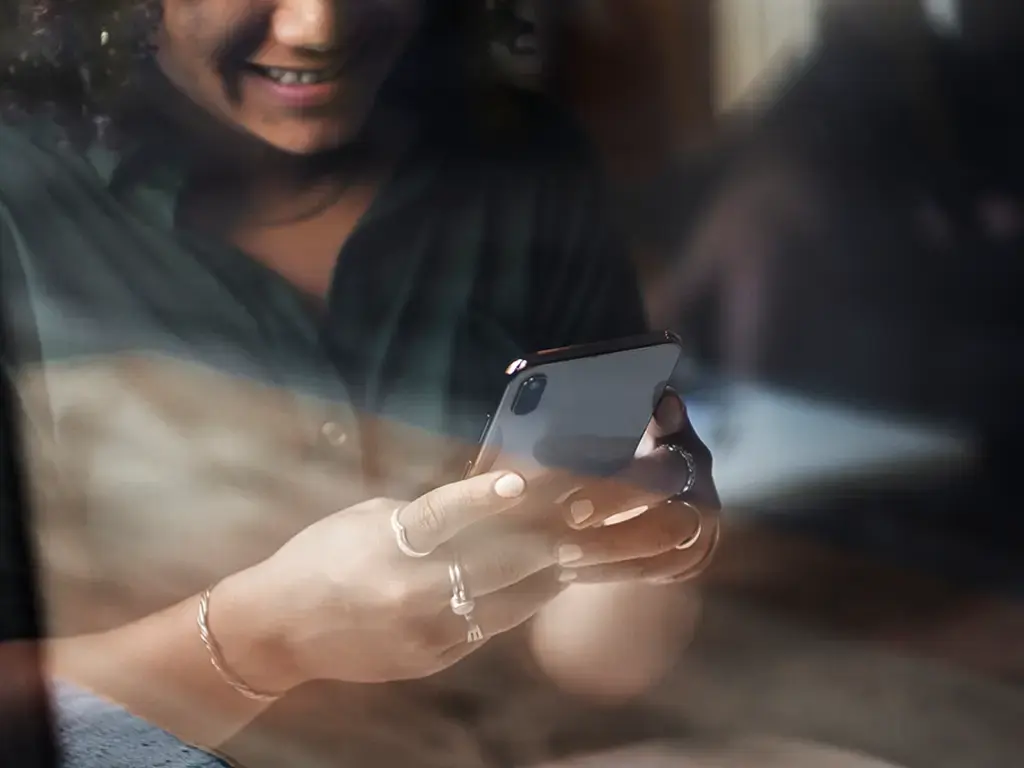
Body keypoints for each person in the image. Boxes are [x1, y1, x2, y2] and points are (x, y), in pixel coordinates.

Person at [0, 1, 720, 766]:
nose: (317, 28)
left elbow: (596, 664)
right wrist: (263, 639)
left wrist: (643, 547)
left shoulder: (524, 162)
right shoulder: (20, 211)